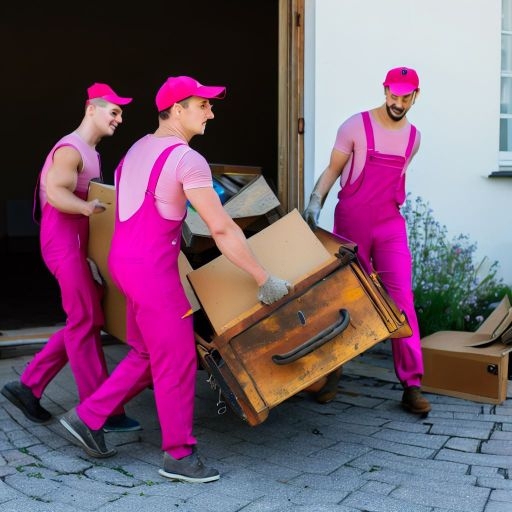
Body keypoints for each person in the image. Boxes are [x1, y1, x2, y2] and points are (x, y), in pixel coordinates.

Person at [59, 75, 293, 483]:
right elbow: (220, 228)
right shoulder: (188, 159)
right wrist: (263, 276)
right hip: (153, 272)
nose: (211, 113)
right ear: (177, 109)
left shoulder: (136, 148)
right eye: (203, 105)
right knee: (178, 359)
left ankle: (88, 416)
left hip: (125, 263)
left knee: (147, 353)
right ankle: (179, 455)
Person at [2, 83, 141, 432]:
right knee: (85, 318)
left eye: (121, 113)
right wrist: (86, 207)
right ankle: (102, 412)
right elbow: (56, 191)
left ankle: (28, 386)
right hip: (62, 242)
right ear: (91, 109)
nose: (119, 118)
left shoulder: (92, 152)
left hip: (76, 243)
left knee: (87, 313)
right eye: (114, 111)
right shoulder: (70, 149)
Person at [302, 66, 431, 416]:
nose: (398, 103)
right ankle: (330, 373)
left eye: (406, 97)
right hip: (353, 222)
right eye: (394, 95)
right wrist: (314, 202)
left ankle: (412, 385)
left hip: (389, 225)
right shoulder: (355, 126)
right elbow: (333, 170)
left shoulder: (414, 138)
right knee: (346, 296)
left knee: (402, 299)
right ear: (385, 90)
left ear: (415, 96)